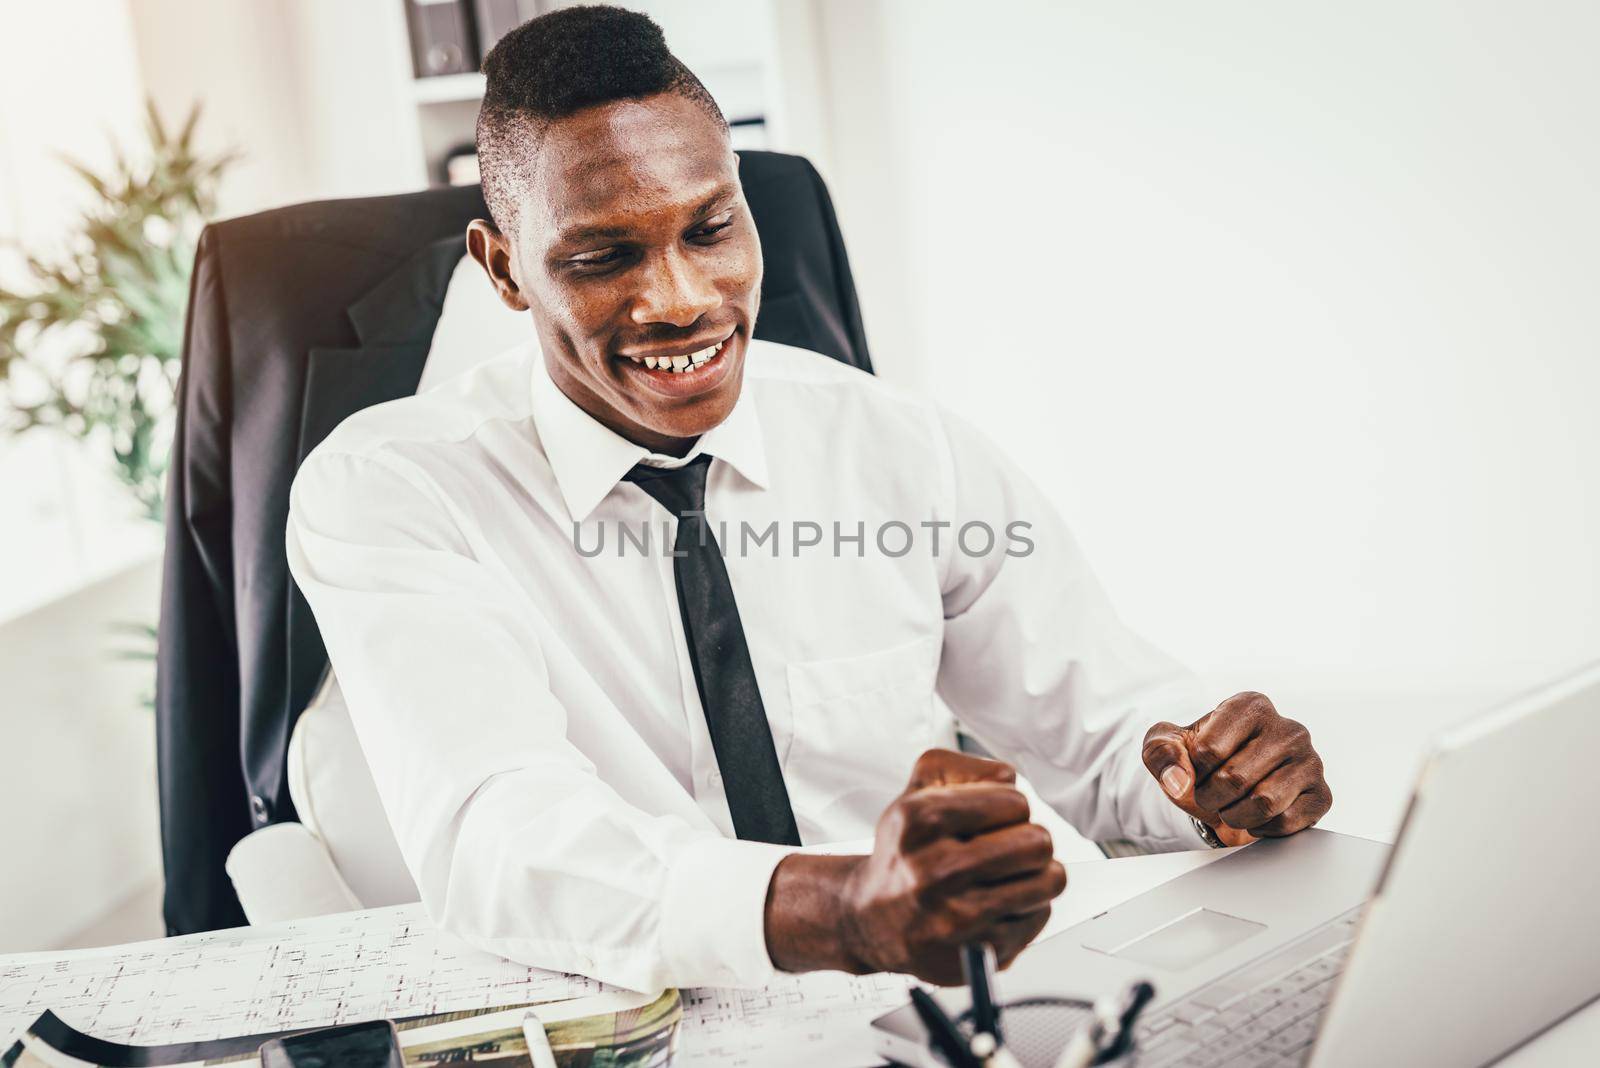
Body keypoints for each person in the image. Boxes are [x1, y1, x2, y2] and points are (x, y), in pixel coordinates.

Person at [286, 4, 1331, 993]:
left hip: (918, 1007)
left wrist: (1211, 781)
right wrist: (840, 910)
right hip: (620, 1017)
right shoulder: (392, 490)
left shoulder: (895, 446)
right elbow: (498, 838)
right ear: (505, 269)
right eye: (604, 257)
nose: (681, 298)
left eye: (708, 230)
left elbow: (1101, 735)